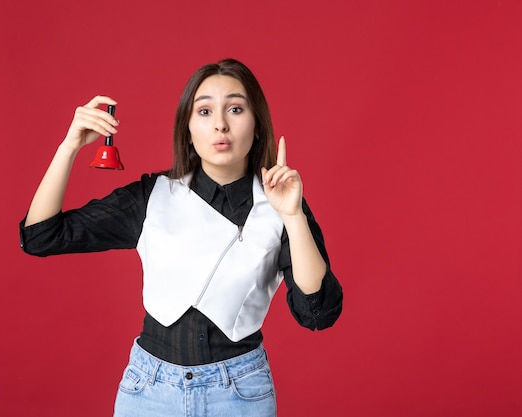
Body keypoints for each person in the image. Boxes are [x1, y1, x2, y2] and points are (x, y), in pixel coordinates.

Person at [19, 58, 343, 417]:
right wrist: (69, 148)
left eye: (235, 109)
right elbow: (41, 237)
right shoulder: (151, 196)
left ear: (257, 125)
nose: (220, 124)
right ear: (187, 127)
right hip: (149, 391)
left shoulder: (283, 203)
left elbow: (317, 313)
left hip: (240, 393)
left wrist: (294, 216)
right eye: (204, 111)